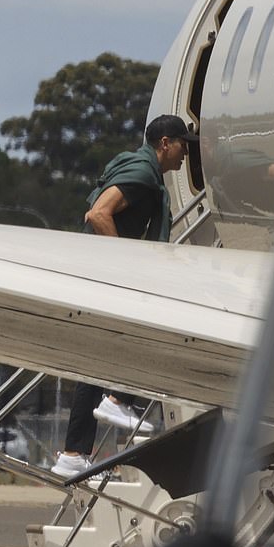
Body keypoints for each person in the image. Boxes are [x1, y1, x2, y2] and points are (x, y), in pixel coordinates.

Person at [51, 114, 198, 478]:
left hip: (97, 272)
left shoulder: (145, 170)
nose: (185, 156)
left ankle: (74, 453)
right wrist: (126, 265)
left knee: (97, 357)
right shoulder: (145, 171)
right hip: (106, 272)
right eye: (182, 146)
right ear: (165, 143)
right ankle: (118, 398)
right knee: (150, 331)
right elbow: (98, 213)